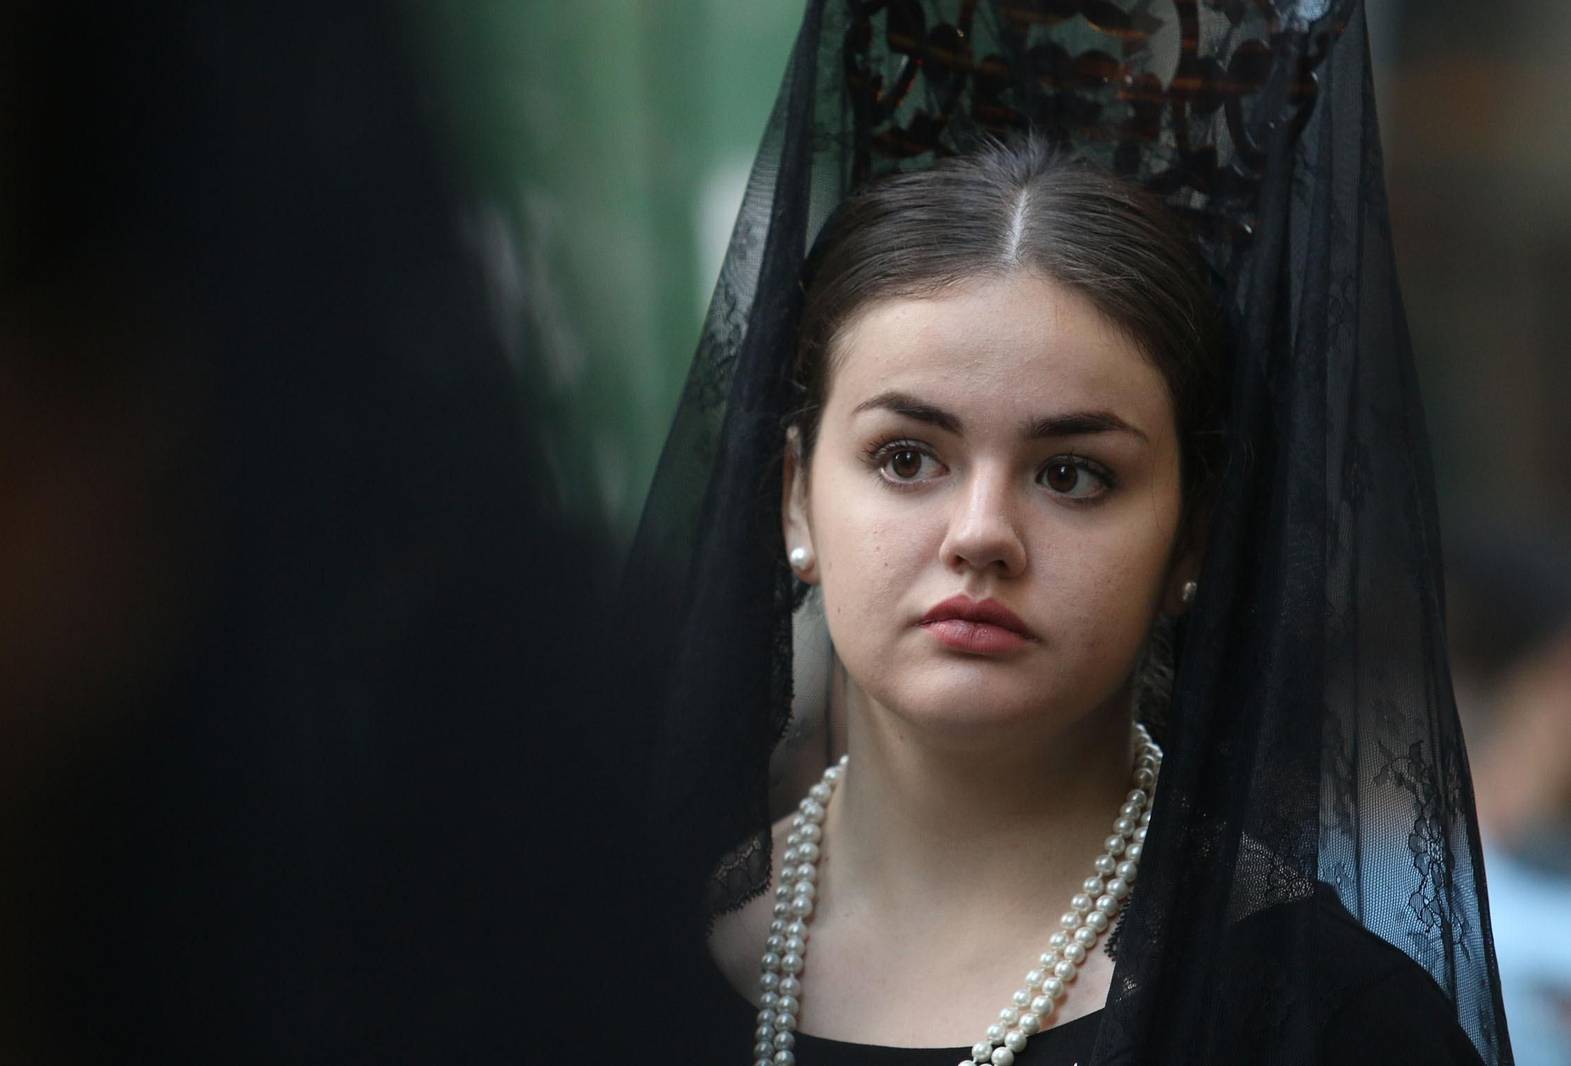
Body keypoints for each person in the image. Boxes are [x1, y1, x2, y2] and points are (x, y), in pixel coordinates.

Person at [620, 2, 1513, 1064]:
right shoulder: (620, 959)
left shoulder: (1328, 1026)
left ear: (1191, 539)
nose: (982, 533)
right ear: (794, 501)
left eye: (1072, 473)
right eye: (907, 458)